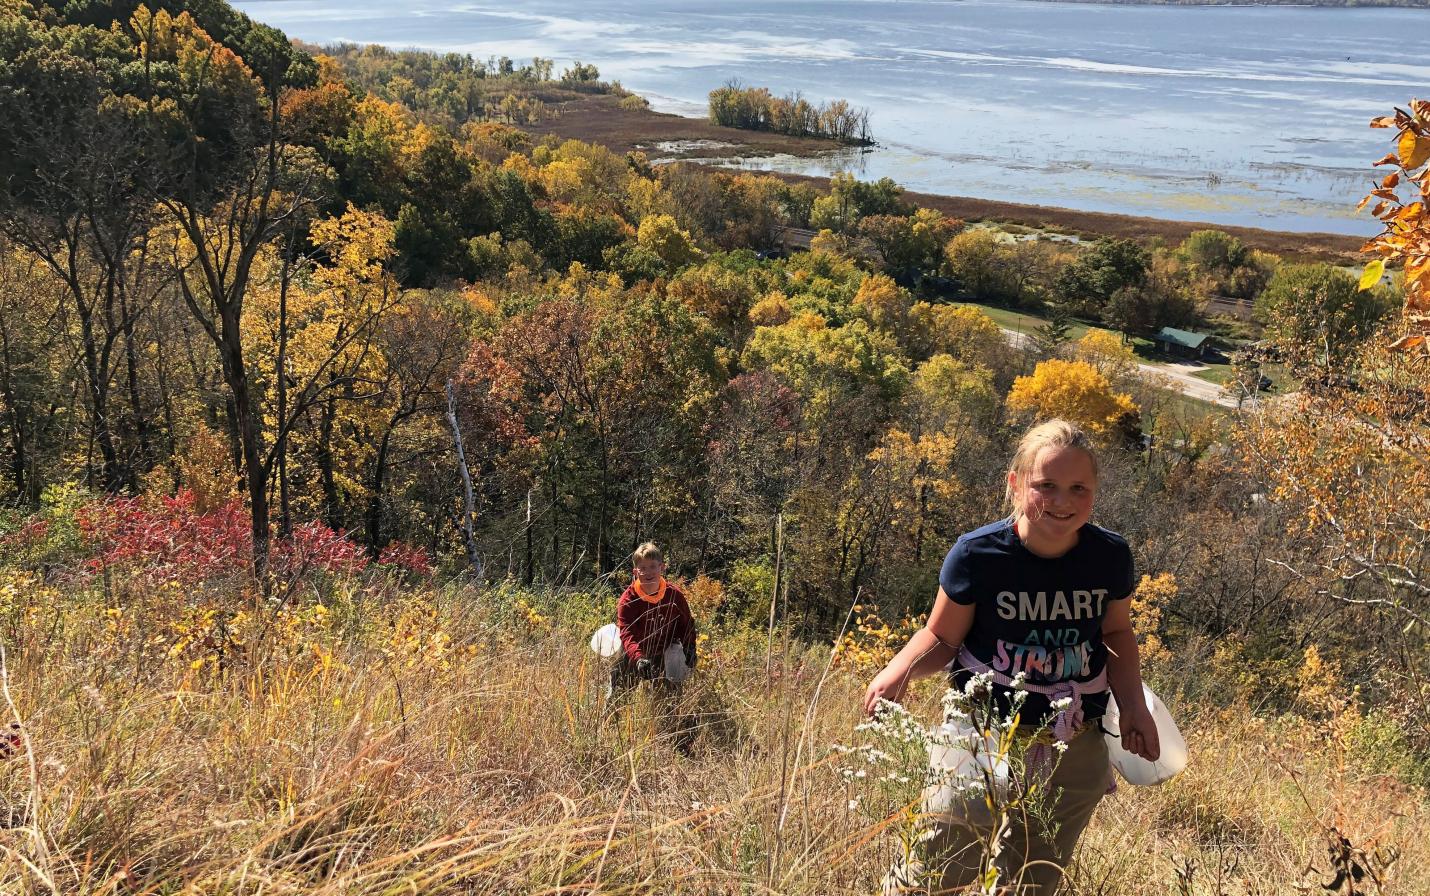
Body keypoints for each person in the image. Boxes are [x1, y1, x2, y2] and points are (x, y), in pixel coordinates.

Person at [865, 418, 1160, 895]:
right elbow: (941, 637)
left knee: (1033, 879)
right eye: (1046, 485)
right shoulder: (979, 555)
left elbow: (1117, 632)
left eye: (1077, 488)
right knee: (935, 869)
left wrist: (1134, 706)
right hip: (981, 734)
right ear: (1016, 483)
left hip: (1073, 741)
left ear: (1095, 491)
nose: (1062, 501)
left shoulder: (1109, 556)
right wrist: (898, 670)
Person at [609, 542, 697, 701]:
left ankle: (674, 722)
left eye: (652, 566)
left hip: (664, 652)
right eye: (642, 568)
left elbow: (686, 625)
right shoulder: (628, 600)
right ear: (635, 572)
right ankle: (610, 721)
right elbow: (627, 633)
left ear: (662, 567)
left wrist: (690, 646)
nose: (648, 572)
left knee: (671, 700)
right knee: (618, 696)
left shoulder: (674, 595)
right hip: (634, 652)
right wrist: (639, 658)